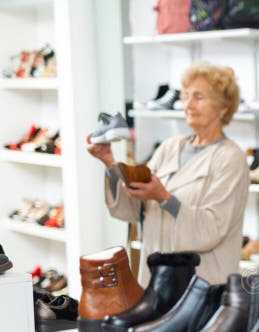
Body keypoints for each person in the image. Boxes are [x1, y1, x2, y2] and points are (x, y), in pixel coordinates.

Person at [88, 62, 249, 286]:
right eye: (186, 96)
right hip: (156, 280)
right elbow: (134, 210)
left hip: (201, 284)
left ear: (223, 107)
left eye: (199, 97)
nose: (188, 105)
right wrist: (110, 163)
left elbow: (212, 229)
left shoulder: (230, 158)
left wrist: (164, 198)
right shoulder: (169, 147)